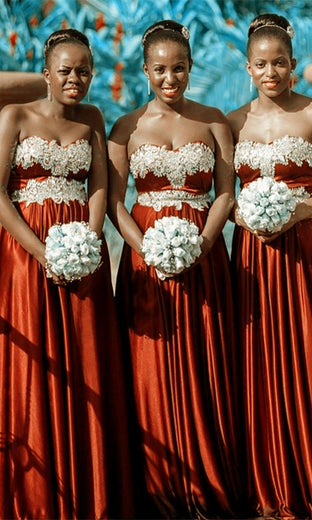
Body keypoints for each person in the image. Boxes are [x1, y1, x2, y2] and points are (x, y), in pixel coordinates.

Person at [107, 19, 245, 519]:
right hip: (146, 256)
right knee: (152, 366)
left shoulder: (212, 121)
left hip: (202, 252)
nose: (172, 78)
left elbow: (227, 191)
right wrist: (144, 249)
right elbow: (115, 205)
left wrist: (206, 242)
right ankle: (157, 483)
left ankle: (209, 475)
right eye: (161, 69)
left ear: (191, 68)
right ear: (145, 70)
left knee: (206, 359)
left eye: (180, 68)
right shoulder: (125, 127)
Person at [0, 29, 132, 519]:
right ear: (46, 73)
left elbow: (99, 185)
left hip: (81, 249)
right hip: (26, 250)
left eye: (83, 71)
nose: (74, 79)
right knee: (35, 356)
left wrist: (86, 241)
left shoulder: (94, 118)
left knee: (85, 355)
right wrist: (41, 253)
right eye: (65, 70)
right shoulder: (13, 116)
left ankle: (90, 486)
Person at [227, 13, 312, 519]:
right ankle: (266, 478)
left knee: (311, 346)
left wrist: (302, 211)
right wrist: (243, 216)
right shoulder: (232, 122)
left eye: (279, 63)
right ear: (247, 66)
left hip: (305, 247)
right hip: (253, 252)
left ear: (293, 64)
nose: (270, 72)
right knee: (258, 354)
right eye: (261, 64)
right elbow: (222, 196)